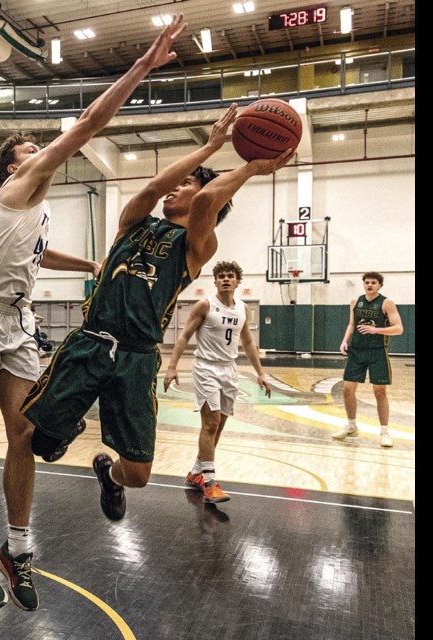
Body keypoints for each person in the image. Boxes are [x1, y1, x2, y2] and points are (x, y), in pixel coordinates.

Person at [0, 15, 188, 614]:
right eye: (33, 151)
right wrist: (141, 66)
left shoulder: (37, 211)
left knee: (25, 432)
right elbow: (85, 125)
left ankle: (18, 549)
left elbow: (35, 251)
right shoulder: (17, 187)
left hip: (17, 320)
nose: (44, 155)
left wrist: (89, 264)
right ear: (13, 168)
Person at [22, 105, 294, 523]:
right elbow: (153, 187)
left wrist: (252, 169)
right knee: (39, 443)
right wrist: (207, 148)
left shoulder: (198, 246)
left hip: (136, 356)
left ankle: (108, 475)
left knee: (138, 474)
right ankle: (66, 425)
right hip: (89, 342)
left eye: (182, 185)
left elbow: (206, 199)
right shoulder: (134, 223)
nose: (172, 189)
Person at [162, 260, 271, 504]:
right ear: (215, 281)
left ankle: (195, 473)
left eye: (230, 276)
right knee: (210, 423)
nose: (225, 279)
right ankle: (210, 482)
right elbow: (183, 337)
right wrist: (171, 367)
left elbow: (249, 343)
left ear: (237, 281)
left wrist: (261, 373)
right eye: (220, 276)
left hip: (229, 370)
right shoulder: (205, 305)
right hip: (206, 369)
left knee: (219, 425)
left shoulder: (242, 308)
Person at [332, 272, 404, 447]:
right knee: (347, 389)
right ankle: (351, 426)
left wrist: (376, 330)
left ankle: (384, 432)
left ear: (380, 285)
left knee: (379, 392)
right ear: (363, 284)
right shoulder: (355, 302)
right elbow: (352, 324)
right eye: (367, 282)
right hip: (356, 350)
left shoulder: (387, 303)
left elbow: (398, 328)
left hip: (377, 351)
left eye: (373, 282)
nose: (369, 285)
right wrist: (344, 341)